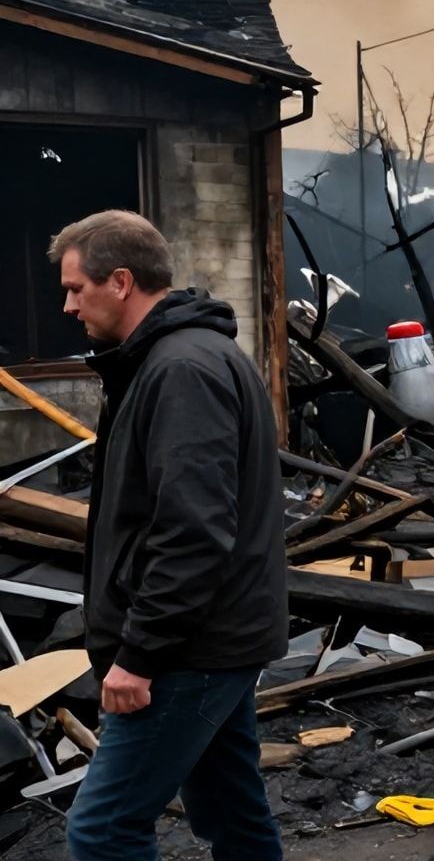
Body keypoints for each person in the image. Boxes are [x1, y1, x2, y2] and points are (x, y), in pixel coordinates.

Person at [51, 211, 286, 860]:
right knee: (233, 815)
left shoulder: (181, 370)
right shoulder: (168, 361)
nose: (69, 305)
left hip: (188, 650)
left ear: (121, 281)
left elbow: (193, 532)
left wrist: (138, 655)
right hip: (211, 639)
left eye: (76, 288)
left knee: (101, 832)